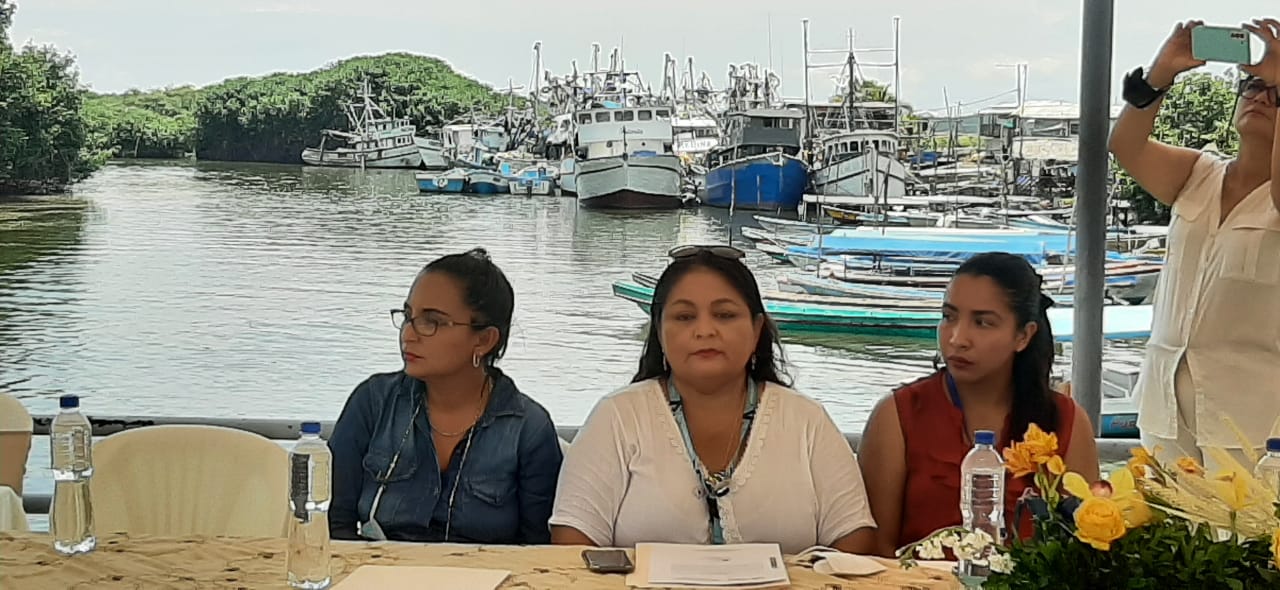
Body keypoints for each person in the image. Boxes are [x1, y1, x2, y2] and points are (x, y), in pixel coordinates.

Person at [549, 245, 876, 555]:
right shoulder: (617, 418)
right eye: (684, 317)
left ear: (756, 329)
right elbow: (572, 546)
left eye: (725, 315)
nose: (705, 330)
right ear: (659, 331)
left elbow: (854, 540)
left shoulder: (807, 421)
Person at [1110, 19, 1280, 469]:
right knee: (1159, 516)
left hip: (1255, 423)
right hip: (1165, 406)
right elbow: (1125, 145)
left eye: (1276, 94)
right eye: (1253, 87)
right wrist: (1162, 71)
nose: (1261, 98)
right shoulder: (1198, 174)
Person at [858, 252, 1099, 557]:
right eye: (949, 317)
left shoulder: (1065, 420)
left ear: (1023, 336)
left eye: (982, 322)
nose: (958, 338)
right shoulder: (897, 415)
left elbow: (1084, 550)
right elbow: (875, 550)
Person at [327, 248, 563, 544]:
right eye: (408, 316)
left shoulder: (528, 429)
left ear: (484, 340)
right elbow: (332, 523)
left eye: (432, 322)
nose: (408, 334)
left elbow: (539, 548)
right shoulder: (374, 402)